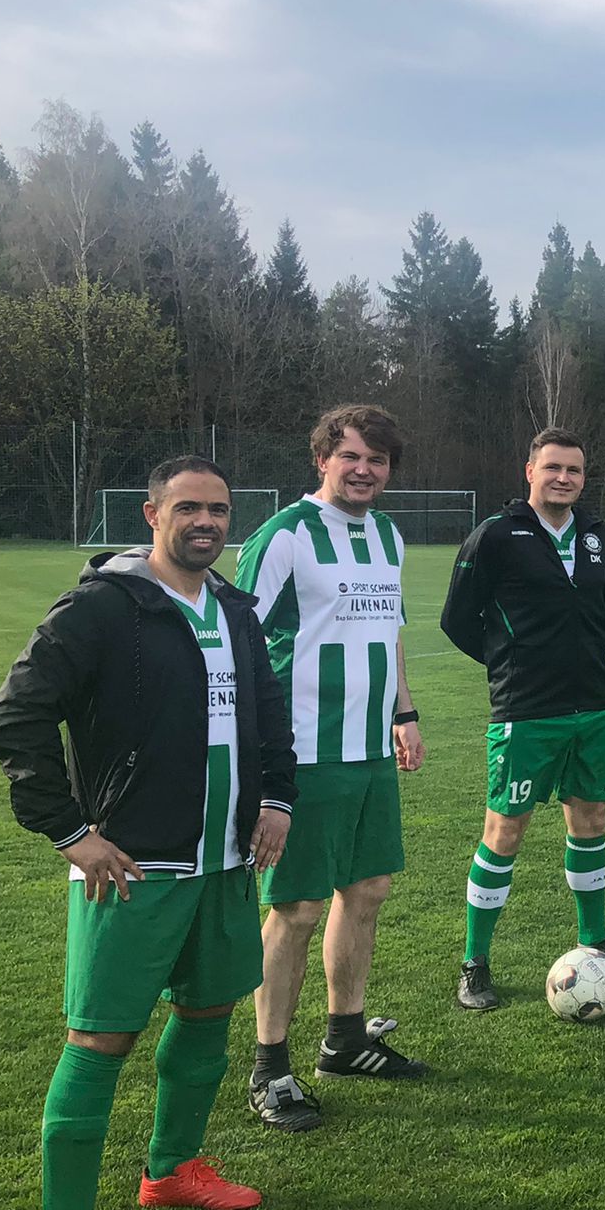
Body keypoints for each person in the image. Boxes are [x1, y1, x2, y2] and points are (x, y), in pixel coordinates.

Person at [0, 456, 295, 1210]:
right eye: (188, 507)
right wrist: (71, 831)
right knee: (100, 1042)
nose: (206, 522)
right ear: (152, 513)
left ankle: (173, 1168)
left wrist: (276, 799)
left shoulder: (234, 608)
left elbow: (269, 715)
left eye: (218, 509)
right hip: (133, 870)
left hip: (226, 863)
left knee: (209, 1013)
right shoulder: (101, 608)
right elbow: (14, 718)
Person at [233, 405, 426, 1134]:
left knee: (367, 889)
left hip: (370, 750)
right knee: (298, 907)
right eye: (351, 456)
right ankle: (269, 1066)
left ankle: (345, 1041)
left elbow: (390, 630)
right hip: (304, 753)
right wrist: (263, 758)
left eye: (377, 459)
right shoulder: (285, 535)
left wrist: (404, 712)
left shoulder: (388, 534)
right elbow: (240, 641)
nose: (364, 470)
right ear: (322, 459)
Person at [440, 427, 605, 1013]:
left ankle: (595, 938)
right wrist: (512, 664)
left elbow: (598, 613)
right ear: (529, 471)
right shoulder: (496, 535)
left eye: (574, 470)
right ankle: (475, 961)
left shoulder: (599, 537)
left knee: (591, 820)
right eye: (553, 467)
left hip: (594, 706)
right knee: (505, 830)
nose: (564, 478)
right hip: (526, 710)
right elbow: (458, 619)